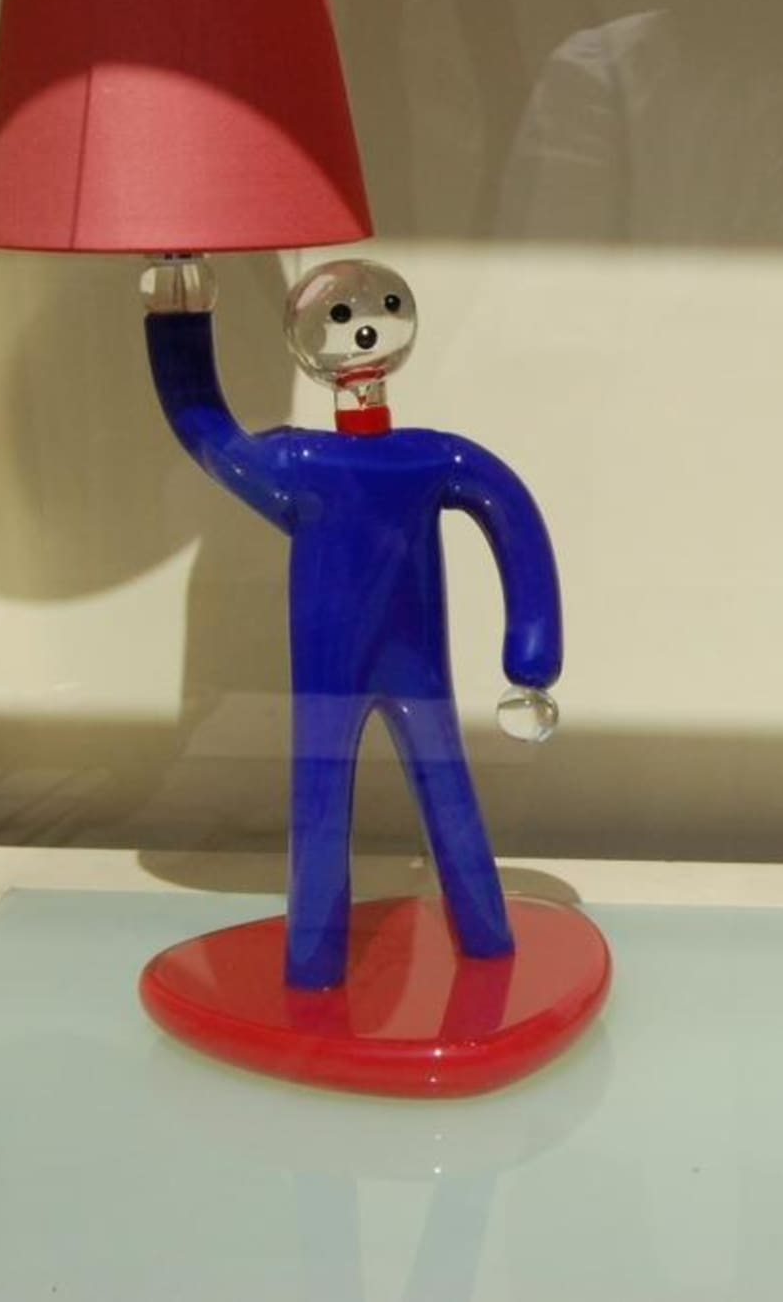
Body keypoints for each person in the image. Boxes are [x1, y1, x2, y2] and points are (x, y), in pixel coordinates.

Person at [141, 256, 563, 989]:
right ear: (310, 334)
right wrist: (179, 317)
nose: (363, 329)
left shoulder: (422, 457)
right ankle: (316, 966)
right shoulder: (302, 463)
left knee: (442, 792)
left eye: (379, 310)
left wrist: (534, 644)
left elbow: (512, 514)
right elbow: (206, 428)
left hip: (411, 665)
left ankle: (483, 942)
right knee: (323, 801)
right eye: (339, 317)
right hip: (332, 672)